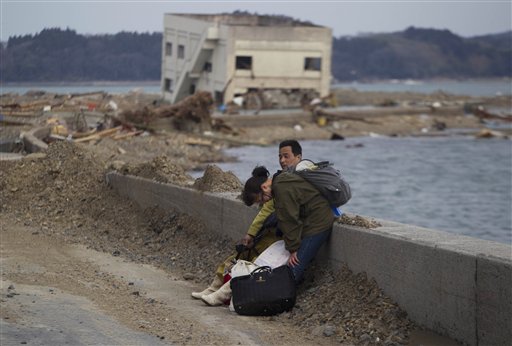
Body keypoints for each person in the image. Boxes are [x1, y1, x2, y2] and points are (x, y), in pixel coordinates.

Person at [192, 140, 303, 306]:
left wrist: (252, 234)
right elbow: (267, 212)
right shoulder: (281, 180)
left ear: (298, 157)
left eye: (286, 156)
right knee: (238, 256)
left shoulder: (292, 182)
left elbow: (275, 213)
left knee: (255, 263)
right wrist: (251, 235)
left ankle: (222, 294)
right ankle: (214, 288)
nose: (282, 160)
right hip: (274, 234)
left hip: (283, 238)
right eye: (280, 156)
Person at [241, 165, 334, 285]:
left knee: (294, 266)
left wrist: (293, 249)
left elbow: (290, 219)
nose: (265, 202)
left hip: (318, 222)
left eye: (261, 200)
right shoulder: (278, 181)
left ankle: (283, 294)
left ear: (264, 187)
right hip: (308, 219)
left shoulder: (281, 188)